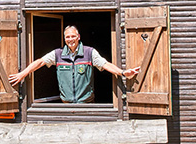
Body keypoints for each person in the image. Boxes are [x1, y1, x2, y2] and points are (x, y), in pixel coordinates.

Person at [8, 25, 141, 103]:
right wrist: (22, 74)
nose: (70, 39)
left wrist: (123, 73)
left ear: (78, 37)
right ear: (64, 38)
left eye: (73, 36)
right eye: (67, 37)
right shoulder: (58, 54)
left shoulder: (89, 52)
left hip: (87, 103)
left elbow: (105, 64)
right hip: (66, 104)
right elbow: (40, 62)